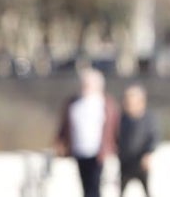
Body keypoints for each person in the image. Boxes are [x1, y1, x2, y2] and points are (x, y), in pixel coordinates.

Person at [55, 68, 120, 197]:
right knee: (85, 186)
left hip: (98, 153)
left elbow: (115, 127)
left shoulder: (106, 103)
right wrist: (60, 142)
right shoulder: (73, 103)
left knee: (94, 186)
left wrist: (113, 148)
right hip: (80, 151)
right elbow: (64, 125)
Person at [117, 84, 158, 197]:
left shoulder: (149, 119)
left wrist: (148, 154)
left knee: (147, 190)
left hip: (141, 162)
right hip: (125, 162)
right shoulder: (122, 119)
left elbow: (153, 138)